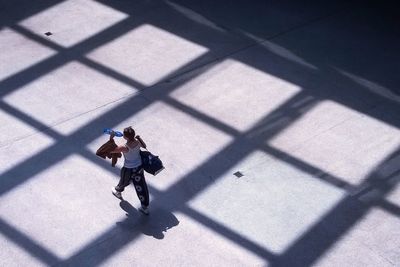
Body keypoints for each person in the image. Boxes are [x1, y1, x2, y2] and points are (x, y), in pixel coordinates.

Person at [109, 126, 150, 215]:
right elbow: (144, 146)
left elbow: (111, 150)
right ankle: (145, 207)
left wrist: (111, 138)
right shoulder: (138, 141)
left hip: (128, 168)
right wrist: (139, 138)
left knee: (124, 181)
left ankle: (118, 192)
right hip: (139, 167)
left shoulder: (124, 147)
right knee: (141, 186)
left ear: (125, 137)